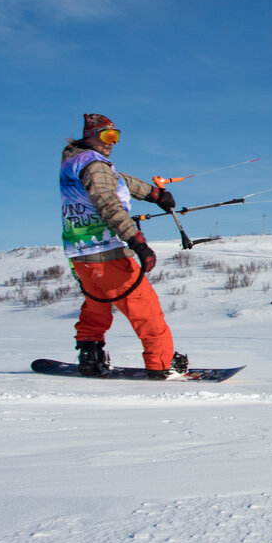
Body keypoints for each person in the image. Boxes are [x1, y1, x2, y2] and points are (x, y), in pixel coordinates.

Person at [60, 113, 189, 379]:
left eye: (116, 136)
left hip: (82, 253)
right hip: (109, 251)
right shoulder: (94, 166)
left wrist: (154, 194)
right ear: (91, 135)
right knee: (145, 310)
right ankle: (162, 363)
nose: (112, 143)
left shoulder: (78, 161)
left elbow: (119, 181)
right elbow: (108, 202)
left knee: (96, 306)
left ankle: (90, 356)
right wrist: (136, 240)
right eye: (107, 136)